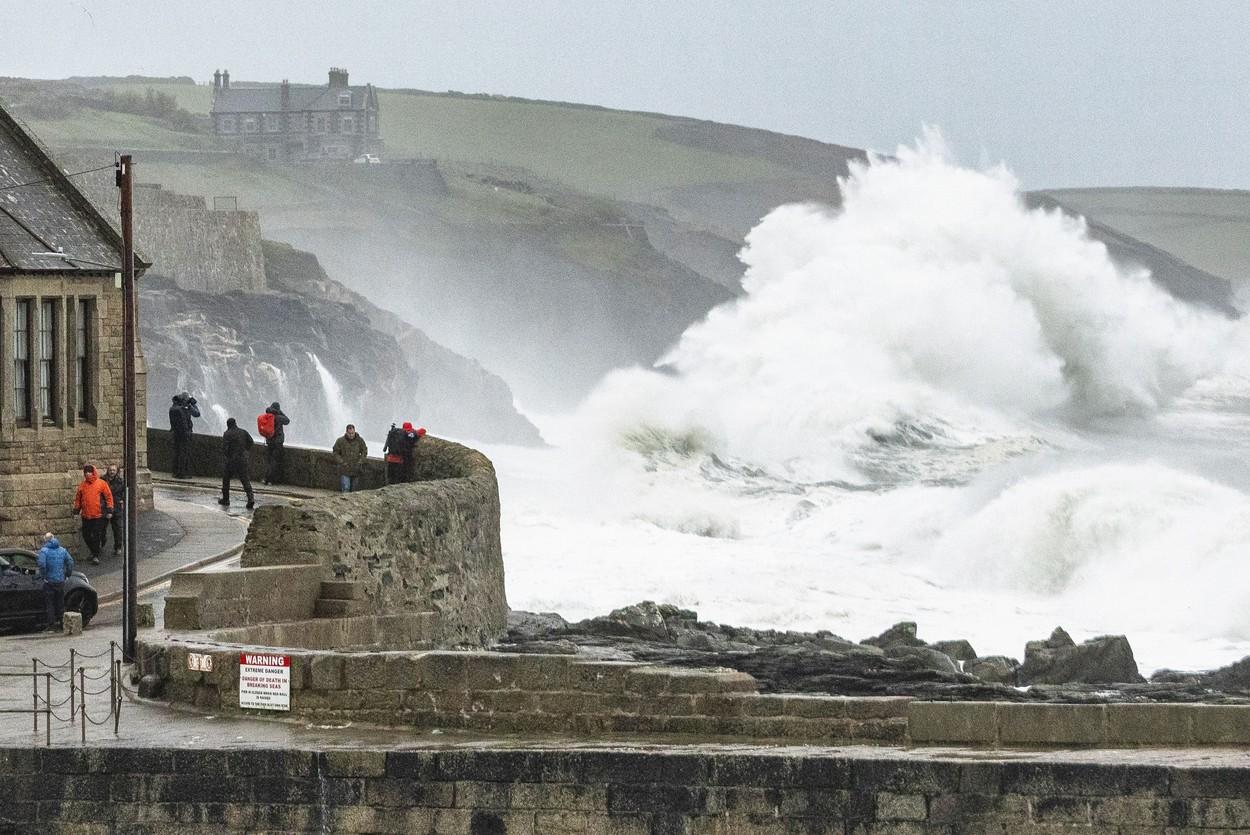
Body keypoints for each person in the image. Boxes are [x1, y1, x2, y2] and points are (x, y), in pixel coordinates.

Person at [72, 465, 114, 566]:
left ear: (93, 472)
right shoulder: (82, 485)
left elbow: (108, 497)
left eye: (89, 472)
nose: (87, 473)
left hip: (98, 515)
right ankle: (94, 550)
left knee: (96, 535)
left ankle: (95, 555)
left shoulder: (101, 484)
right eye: (86, 472)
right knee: (86, 535)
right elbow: (78, 499)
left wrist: (109, 510)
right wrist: (76, 511)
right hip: (86, 515)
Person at [37, 533, 75, 632]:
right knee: (60, 603)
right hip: (60, 580)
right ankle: (63, 624)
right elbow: (70, 562)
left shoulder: (44, 551)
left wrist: (44, 576)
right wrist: (67, 574)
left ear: (46, 540)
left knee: (50, 604)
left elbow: (42, 565)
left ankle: (51, 625)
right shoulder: (62, 550)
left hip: (49, 581)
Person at [218, 417, 255, 509]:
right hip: (242, 459)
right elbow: (251, 442)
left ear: (228, 425)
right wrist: (245, 450)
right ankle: (251, 499)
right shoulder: (243, 432)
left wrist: (228, 455)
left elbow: (225, 448)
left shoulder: (227, 434)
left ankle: (226, 499)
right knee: (245, 479)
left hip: (231, 460)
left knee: (226, 479)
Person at [169, 392, 200, 479]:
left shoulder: (173, 408)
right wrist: (192, 405)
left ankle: (175, 472)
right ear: (184, 400)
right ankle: (181, 473)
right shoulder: (182, 409)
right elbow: (197, 414)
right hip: (185, 434)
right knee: (183, 453)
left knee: (177, 453)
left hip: (175, 434)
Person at [260, 401, 290, 486]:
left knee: (269, 460)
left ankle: (265, 478)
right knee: (275, 461)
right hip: (277, 442)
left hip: (269, 441)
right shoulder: (278, 417)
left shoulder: (267, 416)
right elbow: (287, 421)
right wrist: (280, 412)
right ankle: (270, 480)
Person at [332, 424, 368, 492]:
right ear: (346, 432)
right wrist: (342, 462)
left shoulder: (360, 440)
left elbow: (364, 451)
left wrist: (360, 461)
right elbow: (335, 453)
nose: (351, 435)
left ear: (355, 431)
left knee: (354, 490)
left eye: (352, 433)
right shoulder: (340, 441)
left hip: (356, 469)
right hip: (345, 469)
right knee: (346, 488)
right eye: (349, 433)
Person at [103, 464, 125, 557]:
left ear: (117, 471)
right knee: (102, 528)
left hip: (116, 508)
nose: (112, 472)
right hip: (105, 508)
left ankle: (118, 547)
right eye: (110, 470)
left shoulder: (120, 481)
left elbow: (124, 492)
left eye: (114, 470)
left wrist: (122, 499)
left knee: (117, 529)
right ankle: (102, 542)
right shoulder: (102, 480)